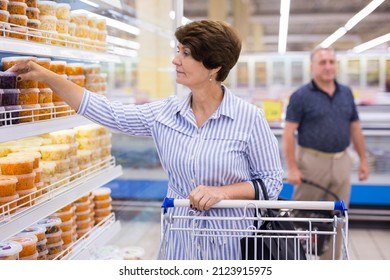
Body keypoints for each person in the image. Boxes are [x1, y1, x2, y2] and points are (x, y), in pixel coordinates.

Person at [10, 20, 284, 260]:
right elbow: (108, 112)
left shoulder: (249, 119)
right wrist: (47, 76)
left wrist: (222, 192)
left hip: (231, 244)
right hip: (181, 240)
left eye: (186, 54)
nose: (175, 60)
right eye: (178, 51)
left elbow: (271, 181)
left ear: (214, 65)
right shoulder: (165, 113)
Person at [283, 47, 369, 260]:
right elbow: (288, 133)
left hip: (342, 160)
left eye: (331, 61)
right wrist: (292, 168)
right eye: (322, 62)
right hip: (311, 162)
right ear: (312, 67)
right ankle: (296, 259)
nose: (328, 66)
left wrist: (363, 160)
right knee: (301, 214)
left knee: (340, 216)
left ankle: (331, 263)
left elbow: (355, 128)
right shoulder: (301, 96)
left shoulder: (346, 93)